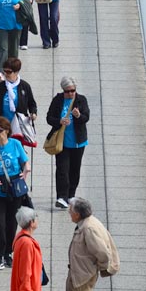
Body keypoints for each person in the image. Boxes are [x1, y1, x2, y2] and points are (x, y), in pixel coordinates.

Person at [0, 116, 30, 273]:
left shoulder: (15, 144)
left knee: (11, 223)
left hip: (14, 187)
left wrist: (25, 172)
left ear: (7, 131)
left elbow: (25, 163)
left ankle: (8, 252)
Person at [65, 198, 120, 291]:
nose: (69, 212)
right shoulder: (89, 222)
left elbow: (103, 254)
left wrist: (94, 268)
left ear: (78, 214)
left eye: (70, 210)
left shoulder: (88, 228)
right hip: (85, 275)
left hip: (81, 277)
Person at [45, 77, 89, 209]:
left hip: (78, 142)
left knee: (75, 170)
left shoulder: (81, 100)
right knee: (62, 170)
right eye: (67, 91)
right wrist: (59, 121)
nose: (70, 93)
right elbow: (49, 118)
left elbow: (86, 118)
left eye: (73, 91)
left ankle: (71, 195)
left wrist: (78, 116)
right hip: (61, 142)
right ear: (63, 90)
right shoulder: (58, 100)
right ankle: (62, 197)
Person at [0, 58, 38, 148]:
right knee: (3, 147)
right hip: (2, 124)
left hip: (19, 125)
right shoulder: (0, 87)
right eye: (4, 71)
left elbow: (32, 103)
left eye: (9, 72)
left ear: (16, 72)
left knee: (17, 149)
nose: (6, 74)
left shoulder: (25, 86)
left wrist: (33, 113)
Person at [10, 206, 44, 291]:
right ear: (31, 222)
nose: (37, 220)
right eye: (36, 218)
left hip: (28, 289)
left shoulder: (20, 237)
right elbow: (26, 270)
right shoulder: (27, 243)